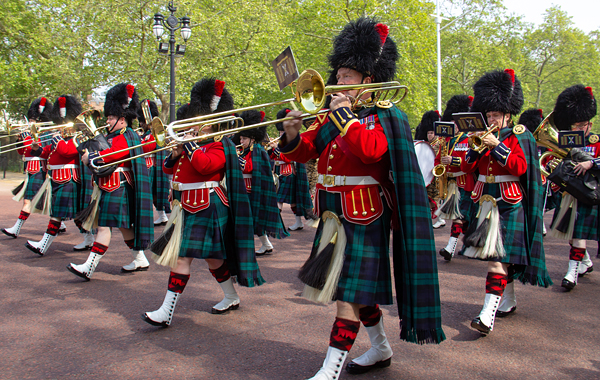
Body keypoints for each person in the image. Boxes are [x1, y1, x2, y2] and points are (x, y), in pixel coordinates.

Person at [280, 18, 444, 379]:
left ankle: (330, 369)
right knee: (352, 289)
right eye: (337, 74)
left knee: (346, 294)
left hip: (365, 214)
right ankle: (381, 348)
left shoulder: (386, 115)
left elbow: (371, 151)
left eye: (347, 77)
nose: (338, 82)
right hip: (332, 213)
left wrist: (342, 116)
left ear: (368, 81)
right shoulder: (333, 117)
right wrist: (291, 133)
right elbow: (305, 152)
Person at [143, 78, 264, 326]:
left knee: (181, 258)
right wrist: (175, 154)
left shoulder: (220, 145)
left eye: (197, 121)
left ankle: (166, 312)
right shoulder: (193, 145)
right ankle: (231, 296)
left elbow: (205, 165)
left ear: (209, 123)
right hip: (187, 205)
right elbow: (170, 172)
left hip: (207, 204)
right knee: (213, 259)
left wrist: (187, 145)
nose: (192, 125)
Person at [461, 69, 552, 335]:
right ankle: (507, 301)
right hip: (485, 201)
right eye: (488, 115)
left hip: (509, 202)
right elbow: (468, 169)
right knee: (501, 258)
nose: (492, 119)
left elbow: (521, 167)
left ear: (508, 114)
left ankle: (486, 315)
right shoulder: (480, 136)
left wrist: (497, 145)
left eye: (496, 115)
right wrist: (475, 149)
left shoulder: (519, 135)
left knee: (497, 258)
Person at [67, 83, 154, 279]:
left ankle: (89, 267)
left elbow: (117, 154)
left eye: (111, 117)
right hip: (111, 185)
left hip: (118, 185)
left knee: (105, 227)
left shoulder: (126, 135)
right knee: (124, 227)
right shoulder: (115, 134)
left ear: (122, 119)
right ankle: (140, 259)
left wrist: (92, 157)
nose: (107, 120)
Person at [547, 85, 597, 290]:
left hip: (587, 193)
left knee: (577, 235)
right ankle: (583, 262)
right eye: (574, 124)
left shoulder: (596, 141)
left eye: (581, 125)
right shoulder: (564, 141)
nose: (577, 128)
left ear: (589, 125)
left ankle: (572, 272)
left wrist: (592, 163)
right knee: (572, 233)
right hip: (568, 192)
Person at [25, 95, 82, 255]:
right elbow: (47, 154)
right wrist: (36, 149)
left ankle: (43, 245)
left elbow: (67, 151)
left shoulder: (77, 136)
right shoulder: (60, 137)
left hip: (69, 178)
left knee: (57, 214)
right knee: (76, 214)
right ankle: (90, 238)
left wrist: (56, 138)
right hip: (57, 178)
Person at [236, 110, 288, 255]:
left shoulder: (257, 150)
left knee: (249, 220)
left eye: (243, 139)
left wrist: (235, 159)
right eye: (240, 139)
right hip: (246, 190)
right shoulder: (248, 150)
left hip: (252, 191)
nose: (241, 142)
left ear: (252, 139)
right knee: (251, 220)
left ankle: (248, 247)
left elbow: (249, 168)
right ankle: (266, 244)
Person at [2, 98, 53, 239]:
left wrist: (28, 138)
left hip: (39, 169)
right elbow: (23, 153)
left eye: (33, 119)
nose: (31, 122)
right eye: (31, 119)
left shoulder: (45, 133)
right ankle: (60, 225)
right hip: (30, 168)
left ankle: (16, 228)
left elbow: (42, 150)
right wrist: (19, 142)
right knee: (47, 200)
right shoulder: (29, 133)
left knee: (28, 201)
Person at [437, 95, 475, 261]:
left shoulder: (468, 139)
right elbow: (439, 158)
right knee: (464, 218)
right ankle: (470, 244)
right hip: (451, 182)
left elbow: (471, 160)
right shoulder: (447, 140)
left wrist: (454, 160)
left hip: (464, 181)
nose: (453, 125)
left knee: (459, 216)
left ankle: (450, 247)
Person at [269, 108, 315, 231]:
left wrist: (277, 150)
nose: (280, 134)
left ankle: (275, 223)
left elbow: (288, 158)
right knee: (293, 201)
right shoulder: (280, 142)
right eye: (279, 132)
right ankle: (298, 222)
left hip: (289, 172)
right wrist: (271, 149)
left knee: (279, 199)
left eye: (281, 131)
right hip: (280, 172)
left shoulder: (290, 142)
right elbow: (273, 157)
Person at [137, 99, 172, 226]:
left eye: (142, 122)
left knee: (151, 194)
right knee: (153, 193)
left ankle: (160, 215)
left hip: (151, 167)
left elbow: (148, 147)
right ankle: (161, 215)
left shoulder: (152, 134)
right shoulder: (145, 134)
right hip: (149, 166)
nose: (140, 124)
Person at [414, 110, 444, 228]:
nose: (430, 135)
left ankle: (441, 218)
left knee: (437, 198)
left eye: (432, 133)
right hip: (428, 175)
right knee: (428, 199)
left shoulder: (440, 144)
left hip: (437, 176)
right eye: (428, 133)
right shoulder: (426, 144)